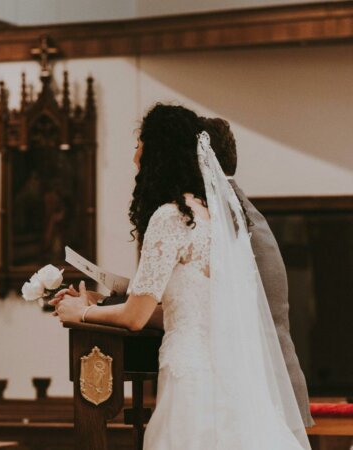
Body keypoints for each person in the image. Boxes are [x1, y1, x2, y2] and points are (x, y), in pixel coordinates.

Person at [51, 104, 309, 449]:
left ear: (159, 152)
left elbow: (135, 317)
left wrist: (80, 313)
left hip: (191, 377)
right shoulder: (217, 220)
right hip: (233, 378)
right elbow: (189, 307)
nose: (134, 158)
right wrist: (101, 302)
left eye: (140, 144)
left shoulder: (170, 217)